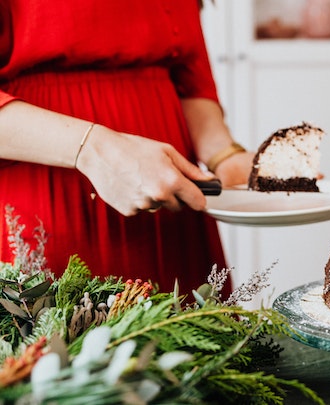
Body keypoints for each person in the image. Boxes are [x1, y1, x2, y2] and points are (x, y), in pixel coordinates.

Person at [0, 1, 253, 294]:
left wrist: (225, 154)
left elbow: (189, 76)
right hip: (48, 200)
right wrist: (93, 150)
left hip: (172, 210)